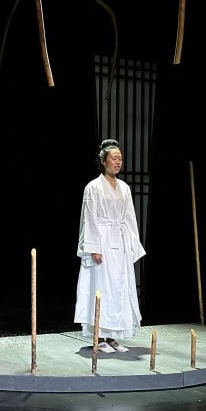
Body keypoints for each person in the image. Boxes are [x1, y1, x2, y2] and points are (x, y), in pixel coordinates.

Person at [73, 139, 146, 354]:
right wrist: (94, 246)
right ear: (103, 161)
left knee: (119, 288)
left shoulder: (124, 188)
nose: (118, 162)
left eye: (120, 158)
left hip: (119, 242)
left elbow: (130, 218)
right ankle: (99, 336)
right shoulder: (93, 187)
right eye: (114, 158)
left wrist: (132, 244)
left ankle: (113, 336)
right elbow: (90, 218)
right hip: (102, 242)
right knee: (101, 287)